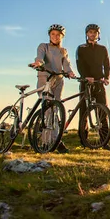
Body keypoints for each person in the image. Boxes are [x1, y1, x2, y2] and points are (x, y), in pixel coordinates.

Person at [31, 23, 76, 153]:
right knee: (47, 111)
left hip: (58, 80)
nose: (55, 37)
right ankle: (46, 142)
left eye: (58, 35)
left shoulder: (63, 51)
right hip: (45, 78)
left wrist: (70, 73)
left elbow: (66, 65)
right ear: (49, 35)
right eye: (53, 34)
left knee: (56, 109)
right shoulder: (43, 46)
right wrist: (39, 62)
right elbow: (40, 57)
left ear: (62, 37)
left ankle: (56, 141)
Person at [76, 23, 110, 150]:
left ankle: (104, 141)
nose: (92, 34)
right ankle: (84, 141)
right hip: (86, 83)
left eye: (95, 32)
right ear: (87, 34)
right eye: (90, 32)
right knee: (84, 112)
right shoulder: (81, 48)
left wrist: (106, 78)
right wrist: (85, 76)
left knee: (102, 111)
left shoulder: (102, 49)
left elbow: (107, 65)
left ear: (98, 35)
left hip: (99, 83)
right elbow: (79, 64)